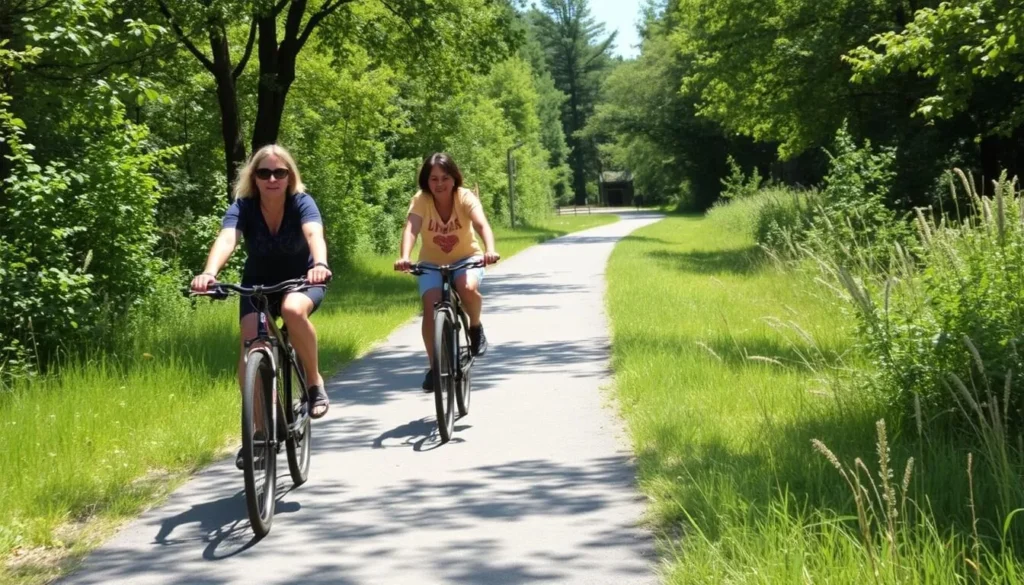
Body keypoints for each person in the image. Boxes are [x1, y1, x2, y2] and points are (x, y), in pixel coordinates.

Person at [190, 144, 332, 468]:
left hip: (302, 278)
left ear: (289, 176)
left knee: (293, 310)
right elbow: (228, 239)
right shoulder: (244, 207)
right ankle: (259, 431)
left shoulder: (301, 203)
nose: (272, 179)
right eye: (264, 172)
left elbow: (314, 234)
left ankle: (313, 382)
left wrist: (320, 263)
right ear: (253, 177)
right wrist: (210, 273)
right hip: (257, 283)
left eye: (279, 172)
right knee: (250, 341)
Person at [394, 153, 500, 391]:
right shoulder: (421, 199)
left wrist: (490, 250)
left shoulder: (464, 197)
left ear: (454, 178)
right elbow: (411, 228)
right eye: (433, 179)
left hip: (466, 258)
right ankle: (434, 366)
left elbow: (482, 224)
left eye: (444, 178)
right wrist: (405, 257)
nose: (439, 184)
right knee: (430, 306)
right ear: (426, 181)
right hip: (431, 263)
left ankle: (474, 327)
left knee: (467, 287)